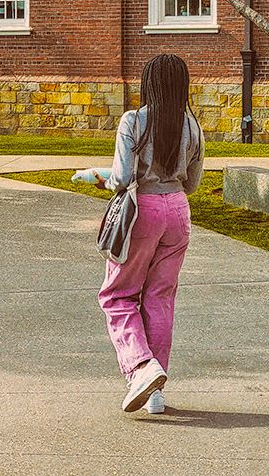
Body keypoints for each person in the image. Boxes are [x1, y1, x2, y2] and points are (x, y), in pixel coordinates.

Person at [93, 53, 204, 414]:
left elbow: (122, 179)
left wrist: (101, 179)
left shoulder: (133, 121)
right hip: (178, 212)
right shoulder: (193, 126)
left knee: (117, 295)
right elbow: (194, 182)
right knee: (160, 298)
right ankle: (156, 393)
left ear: (149, 83)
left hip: (143, 213)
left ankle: (140, 367)